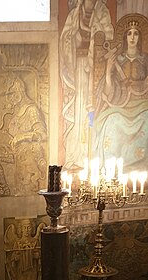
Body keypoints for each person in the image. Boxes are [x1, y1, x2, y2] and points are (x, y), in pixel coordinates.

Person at [60, 0, 113, 170]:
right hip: (78, 69)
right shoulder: (74, 14)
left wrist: (95, 42)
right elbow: (65, 41)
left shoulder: (102, 12)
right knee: (79, 110)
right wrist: (74, 37)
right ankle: (77, 154)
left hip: (96, 70)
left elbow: (109, 40)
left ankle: (94, 155)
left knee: (93, 110)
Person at [92, 16, 148, 171]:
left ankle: (141, 169)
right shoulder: (119, 60)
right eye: (129, 34)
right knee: (111, 121)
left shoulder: (145, 60)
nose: (132, 37)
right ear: (125, 37)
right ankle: (113, 172)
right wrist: (109, 71)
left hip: (142, 104)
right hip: (120, 104)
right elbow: (109, 92)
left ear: (139, 37)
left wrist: (140, 85)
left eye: (135, 34)